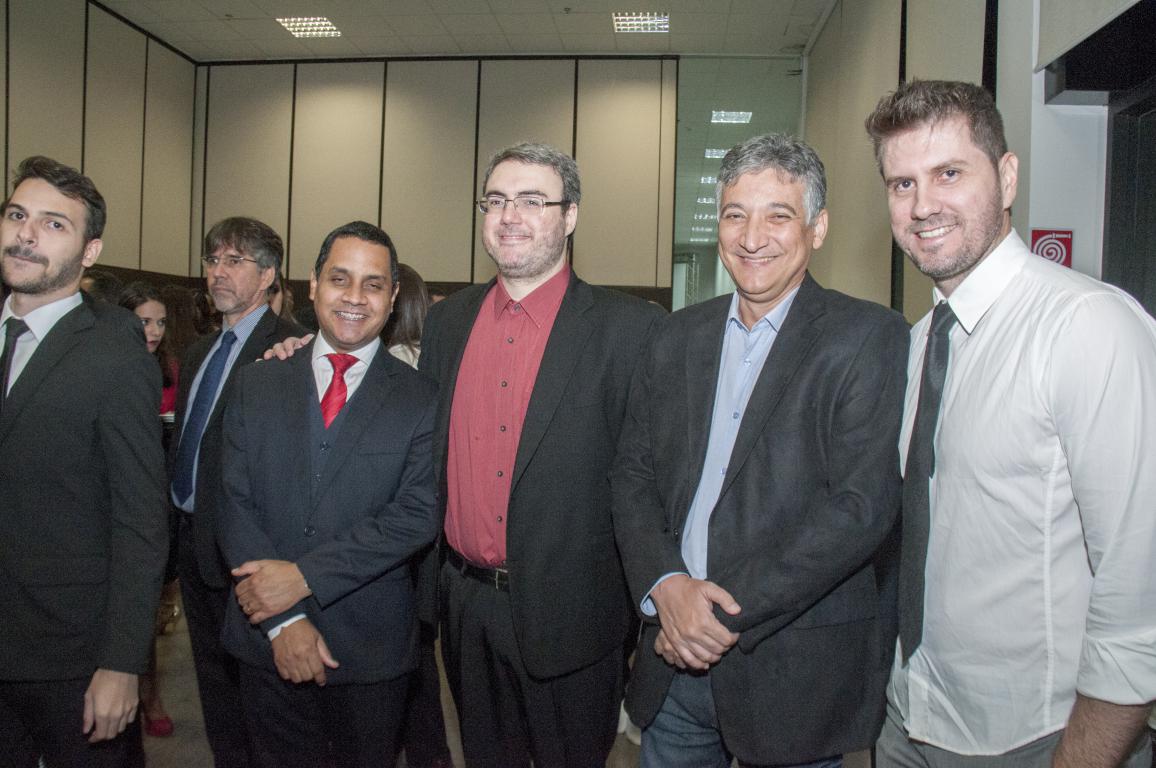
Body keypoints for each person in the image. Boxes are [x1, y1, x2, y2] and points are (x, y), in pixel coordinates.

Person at [864, 79, 1156, 767]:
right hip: (911, 715)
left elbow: (1139, 590)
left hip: (1039, 736)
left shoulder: (1088, 327)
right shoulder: (920, 343)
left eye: (949, 173)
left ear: (1008, 177)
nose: (923, 205)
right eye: (902, 184)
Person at [610, 133, 908, 768]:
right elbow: (633, 475)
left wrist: (709, 616)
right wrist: (667, 587)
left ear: (817, 228)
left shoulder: (868, 338)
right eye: (734, 214)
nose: (752, 237)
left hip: (791, 671)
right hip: (673, 670)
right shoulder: (675, 337)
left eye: (778, 215)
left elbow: (860, 510)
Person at [419, 142, 665, 768]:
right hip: (465, 607)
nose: (510, 216)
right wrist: (301, 352)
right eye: (496, 200)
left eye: (533, 201)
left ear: (570, 215)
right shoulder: (447, 325)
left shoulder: (630, 330)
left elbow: (652, 482)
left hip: (576, 616)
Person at [217, 221, 440, 768]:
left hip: (370, 652)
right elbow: (233, 503)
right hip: (265, 640)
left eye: (373, 284)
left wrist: (303, 578)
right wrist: (285, 620)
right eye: (340, 279)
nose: (354, 297)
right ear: (313, 284)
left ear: (392, 297)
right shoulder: (256, 383)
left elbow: (416, 514)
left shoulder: (422, 399)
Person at [0, 156, 169, 766]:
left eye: (54, 224)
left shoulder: (114, 350)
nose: (26, 234)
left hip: (70, 654)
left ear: (90, 251)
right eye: (17, 215)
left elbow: (140, 519)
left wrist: (122, 663)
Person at [170, 217, 300, 768]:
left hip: (246, 553)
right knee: (214, 690)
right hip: (190, 541)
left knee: (260, 700)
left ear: (268, 275)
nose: (217, 272)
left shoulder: (290, 351)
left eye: (234, 261)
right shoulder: (199, 352)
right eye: (212, 260)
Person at [117, 281, 179, 738]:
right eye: (144, 322)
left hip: (159, 503)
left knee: (144, 611)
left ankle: (149, 696)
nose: (154, 331)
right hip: (114, 504)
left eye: (160, 322)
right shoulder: (106, 367)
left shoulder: (171, 370)